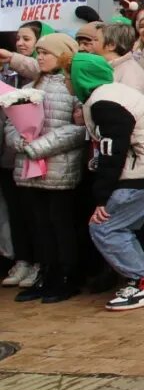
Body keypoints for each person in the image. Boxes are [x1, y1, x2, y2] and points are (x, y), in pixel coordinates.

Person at [70, 54, 144, 311]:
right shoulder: (111, 94)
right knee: (121, 226)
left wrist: (101, 196)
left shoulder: (105, 103)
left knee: (106, 227)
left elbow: (113, 151)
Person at [2, 33, 85, 303]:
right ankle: (46, 274)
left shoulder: (74, 87)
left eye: (45, 53)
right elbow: (11, 122)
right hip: (29, 166)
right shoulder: (31, 84)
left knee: (60, 224)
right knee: (39, 225)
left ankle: (66, 277)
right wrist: (19, 139)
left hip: (58, 167)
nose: (40, 57)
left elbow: (78, 130)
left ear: (62, 55)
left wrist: (39, 146)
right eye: (38, 53)